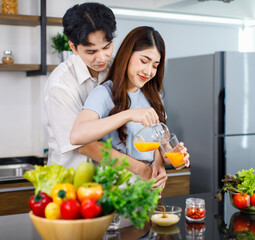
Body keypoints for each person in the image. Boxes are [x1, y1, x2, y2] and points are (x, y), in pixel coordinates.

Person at [44, 3, 166, 186]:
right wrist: (142, 169)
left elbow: (142, 129)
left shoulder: (118, 69)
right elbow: (85, 145)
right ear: (73, 47)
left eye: (107, 47)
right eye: (91, 51)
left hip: (107, 184)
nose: (102, 58)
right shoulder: (60, 86)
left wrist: (158, 161)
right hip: (71, 183)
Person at [70, 26, 190, 184]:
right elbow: (77, 137)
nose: (148, 71)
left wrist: (171, 155)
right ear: (127, 55)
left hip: (150, 187)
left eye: (155, 66)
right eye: (144, 61)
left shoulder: (154, 97)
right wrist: (129, 114)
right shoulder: (105, 93)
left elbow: (161, 145)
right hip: (117, 187)